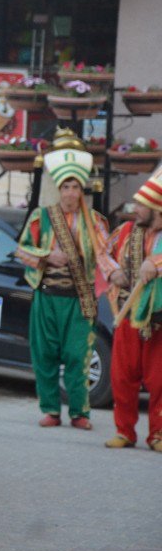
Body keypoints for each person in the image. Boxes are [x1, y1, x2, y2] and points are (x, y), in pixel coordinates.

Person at [16, 148, 107, 430]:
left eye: (75, 187)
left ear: (82, 191)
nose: (70, 193)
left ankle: (80, 412)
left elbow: (106, 255)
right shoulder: (41, 217)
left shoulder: (95, 222)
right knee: (44, 355)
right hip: (47, 296)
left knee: (78, 355)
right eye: (66, 187)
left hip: (79, 299)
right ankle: (51, 410)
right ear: (59, 189)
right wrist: (47, 255)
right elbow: (22, 250)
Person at [98, 173, 162, 452]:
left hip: (158, 320)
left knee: (160, 379)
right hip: (126, 314)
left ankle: (158, 435)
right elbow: (103, 253)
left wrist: (155, 264)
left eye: (141, 205)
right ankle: (124, 431)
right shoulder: (125, 230)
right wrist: (113, 273)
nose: (135, 209)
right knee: (122, 376)